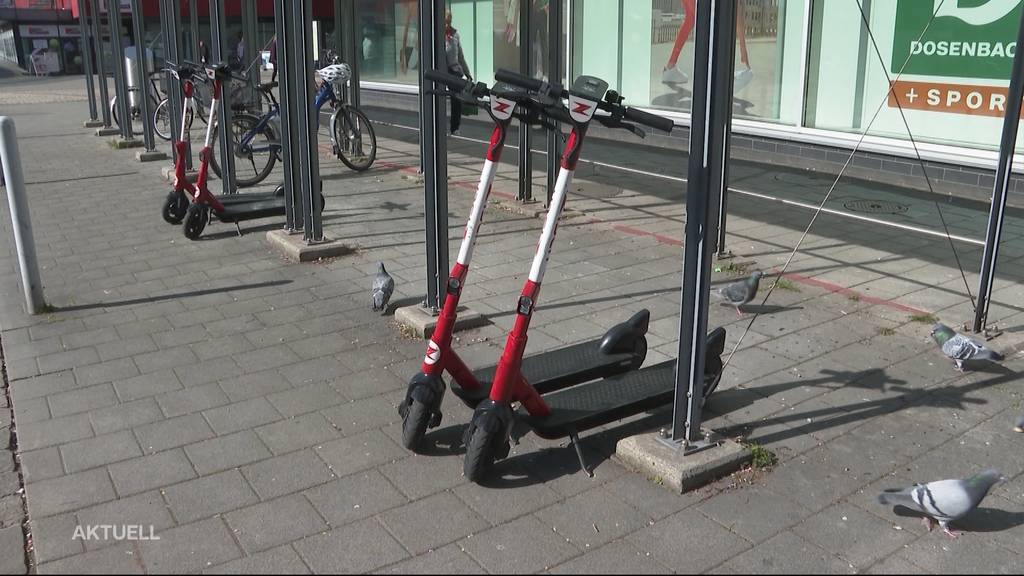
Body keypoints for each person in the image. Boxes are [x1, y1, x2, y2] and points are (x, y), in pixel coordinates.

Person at [444, 10, 472, 134]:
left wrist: (467, 73)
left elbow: (460, 57)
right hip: (442, 71)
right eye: (446, 20)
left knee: (457, 100)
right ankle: (438, 126)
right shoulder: (437, 34)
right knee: (439, 98)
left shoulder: (455, 35)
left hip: (455, 71)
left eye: (449, 20)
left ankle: (455, 128)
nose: (448, 23)